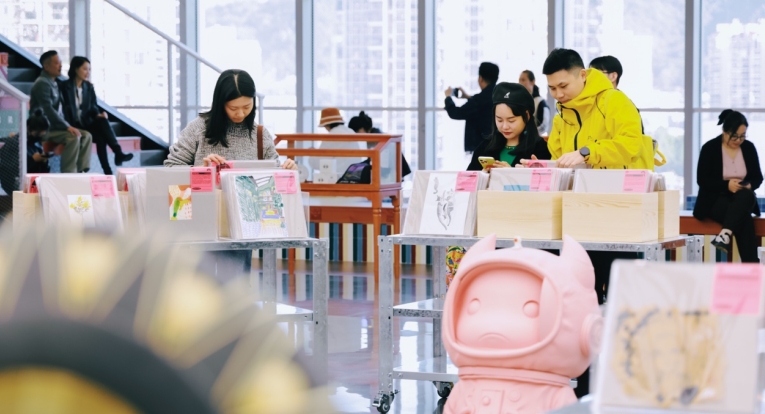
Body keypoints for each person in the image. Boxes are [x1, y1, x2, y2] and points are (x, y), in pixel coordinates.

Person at [540, 48, 652, 399]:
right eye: (552, 88)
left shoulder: (613, 101)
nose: (558, 94)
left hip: (619, 213)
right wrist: (545, 165)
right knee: (583, 300)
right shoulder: (563, 111)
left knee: (619, 299)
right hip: (581, 214)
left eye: (563, 85)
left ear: (583, 75)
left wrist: (588, 153)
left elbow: (630, 144)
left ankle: (626, 379)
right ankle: (585, 383)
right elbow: (559, 154)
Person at [164, 69, 296, 170]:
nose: (240, 114)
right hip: (207, 199)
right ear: (220, 104)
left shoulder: (260, 135)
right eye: (233, 108)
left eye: (247, 107)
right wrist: (202, 170)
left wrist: (288, 170)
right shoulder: (198, 128)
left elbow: (274, 175)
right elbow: (171, 167)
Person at [694, 110, 762, 262]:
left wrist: (748, 185)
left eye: (742, 136)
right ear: (724, 131)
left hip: (742, 198)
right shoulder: (710, 148)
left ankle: (725, 234)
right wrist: (727, 185)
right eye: (734, 136)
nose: (738, 140)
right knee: (744, 220)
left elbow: (758, 178)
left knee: (747, 195)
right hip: (715, 200)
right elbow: (702, 180)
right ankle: (753, 267)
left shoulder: (749, 148)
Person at [61, 56, 134, 175]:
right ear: (76, 69)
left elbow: (93, 106)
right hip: (72, 124)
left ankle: (114, 159)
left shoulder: (88, 87)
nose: (88, 72)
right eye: (85, 69)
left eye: (89, 69)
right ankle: (113, 162)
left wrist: (99, 114)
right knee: (101, 136)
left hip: (86, 123)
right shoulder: (64, 86)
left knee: (102, 123)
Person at [30, 50, 92, 173]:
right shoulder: (42, 83)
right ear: (46, 66)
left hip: (55, 127)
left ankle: (81, 171)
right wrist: (67, 127)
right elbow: (48, 110)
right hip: (43, 129)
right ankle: (69, 173)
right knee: (72, 137)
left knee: (87, 136)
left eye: (60, 62)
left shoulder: (53, 82)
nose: (61, 65)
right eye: (57, 63)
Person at [467, 82, 551, 171]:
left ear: (527, 116)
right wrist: (483, 176)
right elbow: (467, 178)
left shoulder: (540, 148)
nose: (505, 126)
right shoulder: (485, 147)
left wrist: (511, 173)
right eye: (499, 120)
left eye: (511, 121)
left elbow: (549, 179)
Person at [444, 62, 499, 153]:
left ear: (480, 79)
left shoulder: (478, 100)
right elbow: (483, 104)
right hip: (495, 144)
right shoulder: (498, 95)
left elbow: (455, 113)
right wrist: (468, 97)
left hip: (481, 147)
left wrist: (448, 97)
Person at [0, 109, 51, 194]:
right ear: (29, 129)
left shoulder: (36, 144)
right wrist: (32, 160)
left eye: (42, 134)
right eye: (37, 134)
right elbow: (11, 170)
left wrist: (44, 162)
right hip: (15, 184)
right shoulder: (16, 143)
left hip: (33, 183)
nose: (39, 137)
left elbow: (43, 173)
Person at [348, 111, 411, 178]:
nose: (356, 136)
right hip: (392, 173)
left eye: (356, 132)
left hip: (390, 175)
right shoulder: (377, 135)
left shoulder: (376, 140)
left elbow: (380, 164)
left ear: (362, 129)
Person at [309, 107, 365, 174]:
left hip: (338, 177)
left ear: (326, 125)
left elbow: (320, 163)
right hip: (355, 175)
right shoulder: (350, 131)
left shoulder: (331, 136)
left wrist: (312, 154)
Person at [518, 70, 551, 137]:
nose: (520, 83)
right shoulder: (518, 102)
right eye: (519, 80)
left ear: (533, 81)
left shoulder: (540, 102)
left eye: (523, 80)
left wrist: (529, 134)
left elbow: (544, 125)